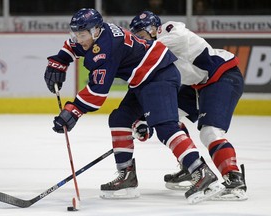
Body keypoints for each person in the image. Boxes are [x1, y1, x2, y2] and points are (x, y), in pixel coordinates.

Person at [44, 8, 224, 204]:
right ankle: (127, 176)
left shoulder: (106, 49)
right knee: (119, 119)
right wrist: (59, 62)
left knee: (165, 127)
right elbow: (72, 46)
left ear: (95, 31)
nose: (79, 39)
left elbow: (97, 93)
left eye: (82, 34)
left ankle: (200, 171)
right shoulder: (96, 35)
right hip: (143, 79)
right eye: (76, 34)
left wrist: (73, 111)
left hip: (159, 75)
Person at [129, 11, 247, 201]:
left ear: (153, 30)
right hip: (197, 85)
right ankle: (189, 166)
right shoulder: (152, 55)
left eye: (142, 36)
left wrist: (145, 47)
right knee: (166, 118)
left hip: (221, 77)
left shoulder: (169, 30)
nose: (140, 42)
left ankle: (234, 178)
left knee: (210, 133)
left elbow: (177, 35)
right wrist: (145, 122)